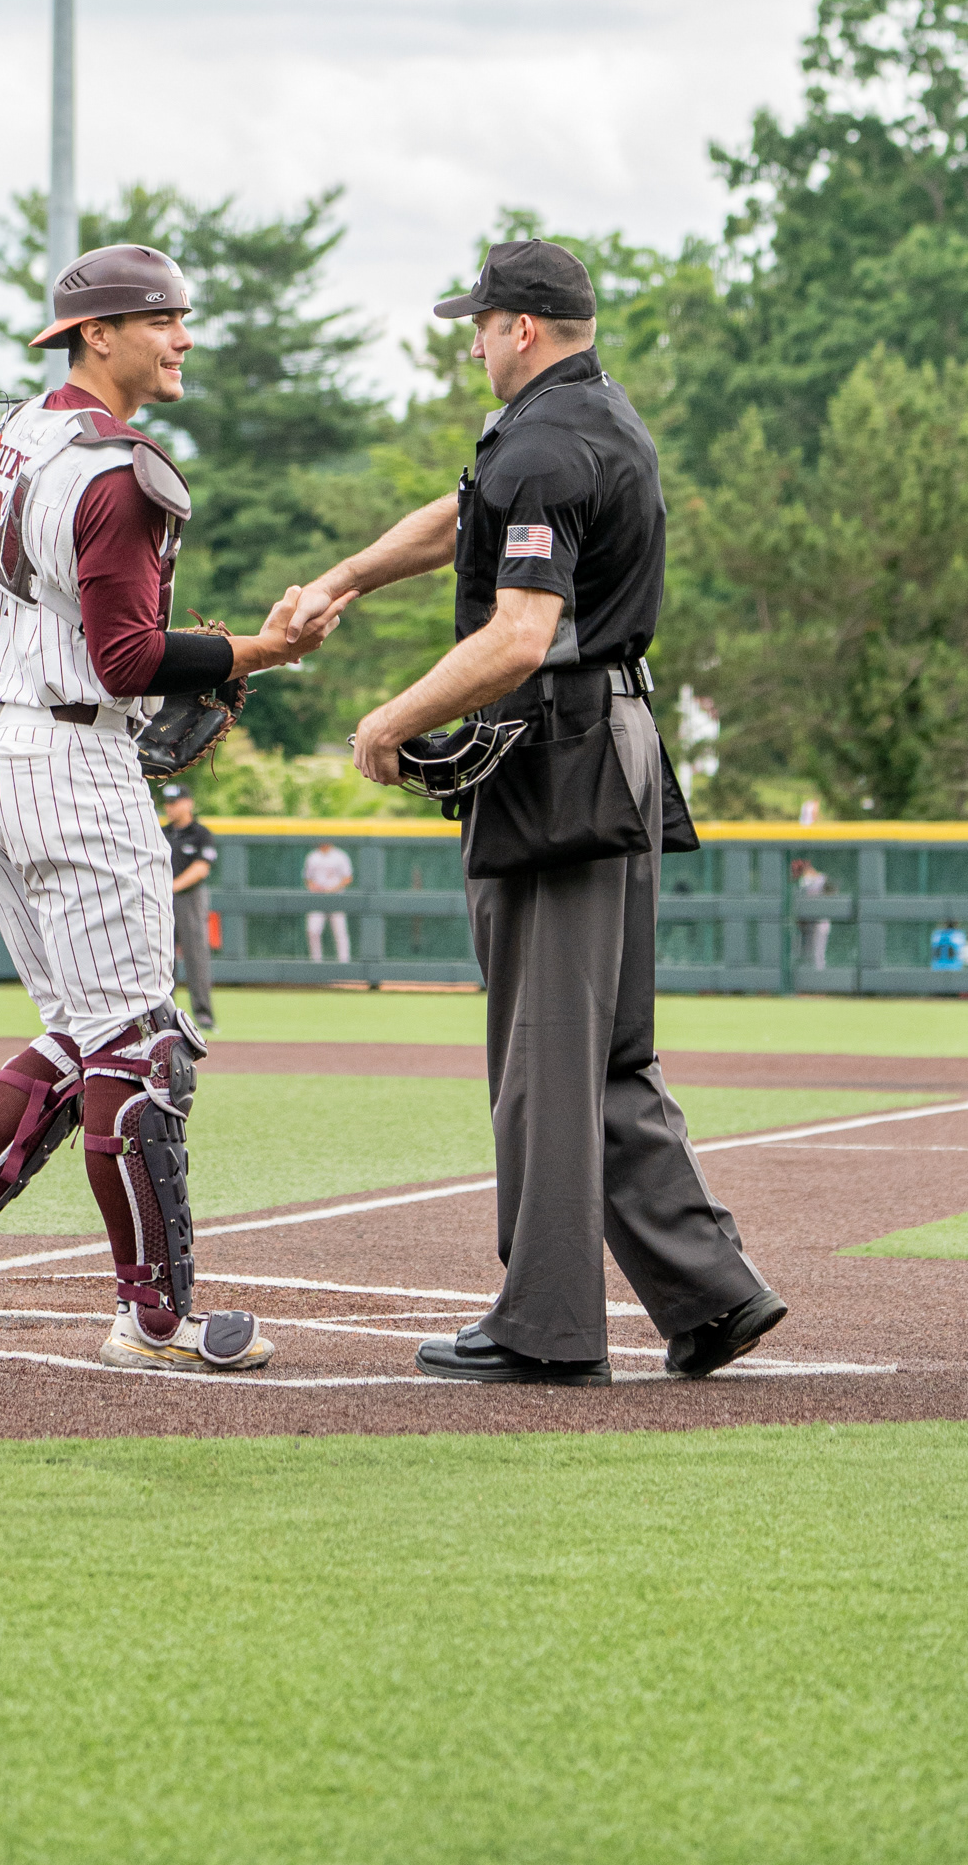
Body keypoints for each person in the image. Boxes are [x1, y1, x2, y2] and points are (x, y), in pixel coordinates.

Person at [285, 237, 787, 1386]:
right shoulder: (593, 417)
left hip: (557, 755)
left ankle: (546, 1325)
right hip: (617, 740)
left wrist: (387, 722)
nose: (469, 337)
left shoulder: (545, 442)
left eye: (479, 320)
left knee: (544, 1056)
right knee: (609, 1052)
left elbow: (515, 637)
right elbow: (457, 511)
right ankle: (710, 1293)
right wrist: (345, 580)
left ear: (521, 327)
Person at [0, 243, 346, 1372]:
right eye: (162, 319)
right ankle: (158, 1317)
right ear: (98, 335)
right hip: (73, 760)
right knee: (145, 1048)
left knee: (90, 1038)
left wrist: (4, 582)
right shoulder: (120, 468)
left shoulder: (9, 438)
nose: (181, 337)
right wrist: (261, 649)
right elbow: (126, 658)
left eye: (181, 316)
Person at [161, 783, 217, 1029]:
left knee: (196, 957)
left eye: (176, 802)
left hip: (189, 898)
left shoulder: (201, 833)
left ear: (189, 803)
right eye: (168, 803)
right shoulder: (160, 833)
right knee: (162, 959)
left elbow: (201, 868)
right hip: (162, 900)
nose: (171, 807)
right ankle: (164, 1015)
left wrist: (172, 886)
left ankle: (203, 1014)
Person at [303, 841, 353, 962]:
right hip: (318, 898)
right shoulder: (313, 856)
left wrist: (332, 889)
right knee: (313, 930)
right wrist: (313, 887)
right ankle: (316, 963)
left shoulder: (340, 855)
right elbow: (307, 879)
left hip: (336, 897)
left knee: (340, 931)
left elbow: (347, 878)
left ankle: (344, 963)